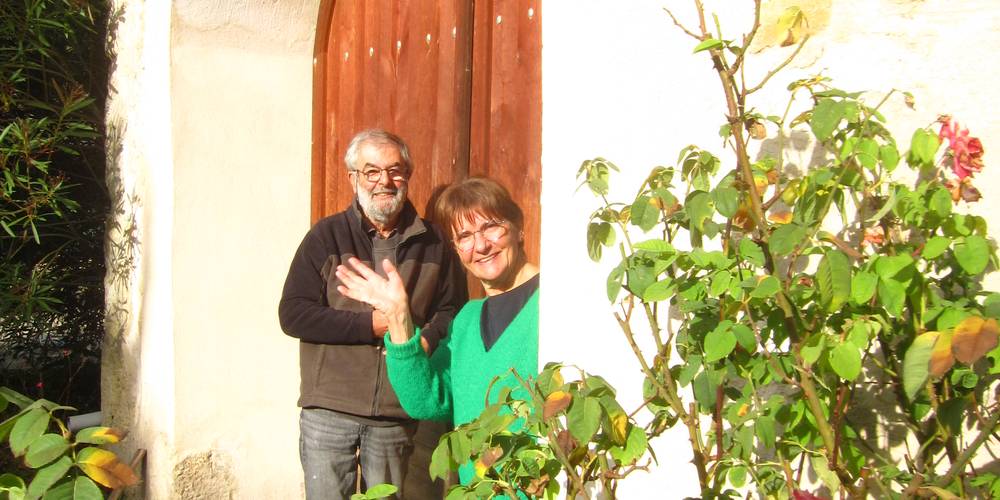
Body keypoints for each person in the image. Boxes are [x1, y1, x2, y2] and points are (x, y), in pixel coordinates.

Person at [278, 129, 468, 499]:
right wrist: (371, 325)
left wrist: (424, 340)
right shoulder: (326, 237)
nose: (385, 181)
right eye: (372, 171)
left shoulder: (435, 242)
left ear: (408, 176)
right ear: (354, 178)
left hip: (396, 413)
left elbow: (452, 309)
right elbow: (294, 314)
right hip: (330, 408)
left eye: (395, 171)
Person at [334, 177, 539, 485]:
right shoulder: (468, 319)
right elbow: (426, 399)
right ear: (456, 249)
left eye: (491, 227)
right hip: (478, 490)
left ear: (518, 227)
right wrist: (399, 319)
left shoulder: (554, 305)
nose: (481, 245)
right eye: (465, 236)